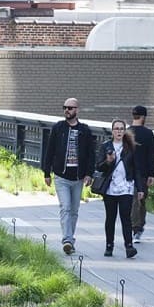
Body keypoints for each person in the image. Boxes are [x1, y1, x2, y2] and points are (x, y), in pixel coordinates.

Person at [41, 97, 95, 255]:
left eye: (70, 108)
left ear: (77, 110)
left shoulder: (85, 130)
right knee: (65, 207)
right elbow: (49, 150)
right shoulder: (58, 128)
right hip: (61, 176)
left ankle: (70, 239)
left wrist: (89, 174)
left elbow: (91, 154)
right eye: (64, 107)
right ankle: (67, 240)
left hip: (78, 178)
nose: (67, 110)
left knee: (74, 210)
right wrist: (46, 172)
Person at [96, 120, 146, 258]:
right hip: (110, 188)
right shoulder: (105, 146)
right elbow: (99, 167)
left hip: (126, 187)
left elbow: (136, 169)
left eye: (121, 129)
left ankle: (129, 246)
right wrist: (108, 161)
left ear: (124, 131)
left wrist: (140, 188)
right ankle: (109, 246)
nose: (119, 131)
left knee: (126, 217)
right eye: (116, 129)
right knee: (110, 218)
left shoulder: (130, 147)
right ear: (112, 131)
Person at [129, 105, 154, 243]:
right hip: (143, 173)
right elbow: (151, 154)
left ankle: (136, 227)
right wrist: (151, 174)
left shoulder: (126, 132)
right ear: (144, 117)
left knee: (133, 201)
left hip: (127, 172)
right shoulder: (148, 134)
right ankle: (137, 228)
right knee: (140, 200)